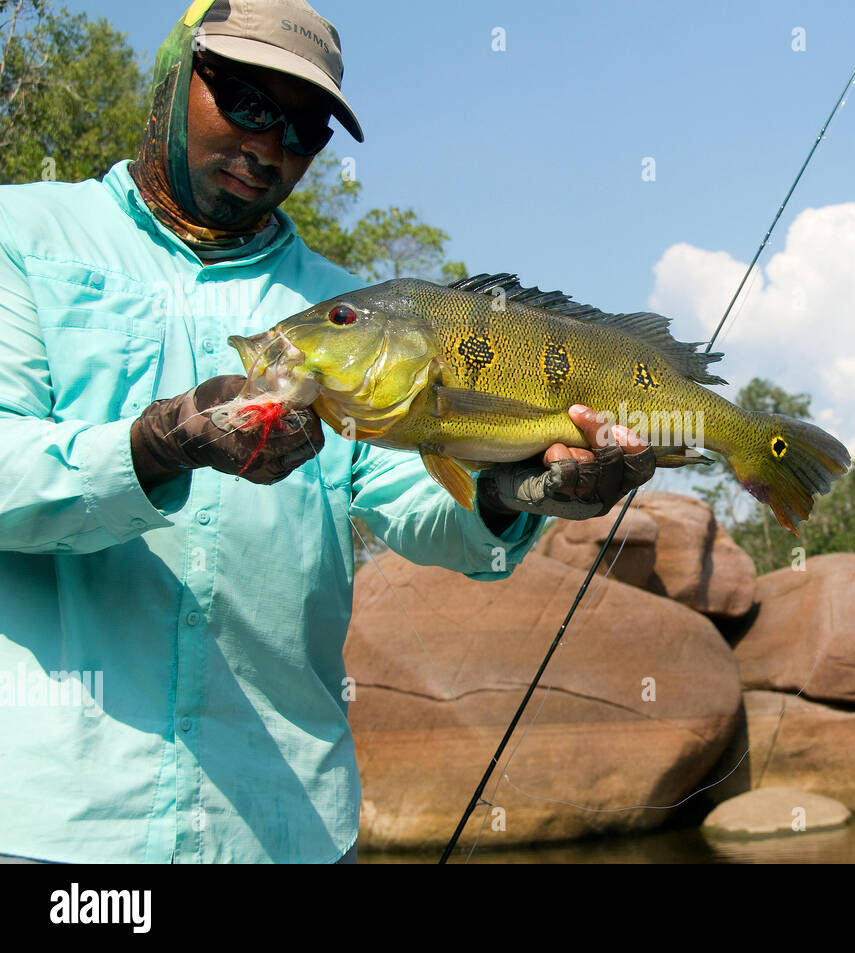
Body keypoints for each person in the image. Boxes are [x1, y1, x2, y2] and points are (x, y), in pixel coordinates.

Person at [0, 0, 652, 864]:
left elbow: (427, 511)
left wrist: (513, 492)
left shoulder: (353, 316)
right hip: (60, 828)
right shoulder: (23, 235)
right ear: (171, 77)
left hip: (287, 828)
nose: (269, 145)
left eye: (304, 127)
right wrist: (162, 443)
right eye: (245, 100)